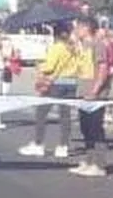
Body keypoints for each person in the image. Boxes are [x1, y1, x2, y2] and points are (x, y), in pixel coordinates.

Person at [18, 23, 79, 159]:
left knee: (41, 113)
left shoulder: (57, 48)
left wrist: (39, 65)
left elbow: (49, 67)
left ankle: (38, 143)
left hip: (55, 83)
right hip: (71, 82)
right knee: (65, 115)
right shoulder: (73, 48)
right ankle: (63, 146)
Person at [72, 17, 113, 177]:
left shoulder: (98, 45)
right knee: (85, 128)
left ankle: (100, 165)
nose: (75, 31)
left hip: (94, 95)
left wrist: (94, 92)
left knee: (96, 129)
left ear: (86, 28)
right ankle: (89, 161)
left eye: (78, 28)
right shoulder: (82, 46)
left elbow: (103, 69)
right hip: (82, 93)